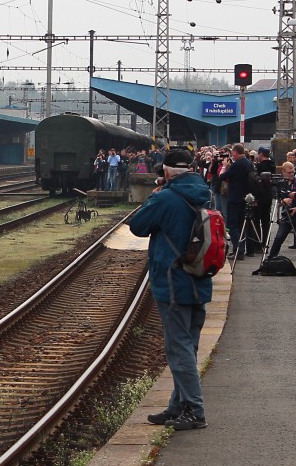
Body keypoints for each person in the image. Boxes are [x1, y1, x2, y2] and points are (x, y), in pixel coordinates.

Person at [129, 149, 212, 431]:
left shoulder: (165, 197)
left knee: (178, 349)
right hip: (199, 279)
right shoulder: (204, 192)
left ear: (165, 172)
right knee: (188, 346)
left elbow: (137, 226)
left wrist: (155, 195)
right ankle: (178, 405)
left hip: (174, 281)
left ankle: (194, 410)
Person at [263, 161, 296, 273]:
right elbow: (278, 197)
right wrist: (282, 200)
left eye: (292, 172)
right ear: (283, 172)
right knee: (278, 238)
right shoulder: (281, 183)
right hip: (287, 215)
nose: (291, 174)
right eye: (289, 172)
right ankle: (269, 260)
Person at [219, 144, 255, 259]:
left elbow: (222, 177)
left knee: (232, 225)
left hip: (235, 198)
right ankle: (240, 249)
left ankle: (238, 249)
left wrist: (224, 166)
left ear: (235, 152)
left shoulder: (237, 164)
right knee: (241, 225)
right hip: (244, 197)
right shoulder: (248, 163)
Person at [252, 147, 276, 254]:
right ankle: (265, 244)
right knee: (266, 221)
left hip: (259, 196)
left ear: (261, 154)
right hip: (268, 196)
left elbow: (257, 182)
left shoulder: (260, 166)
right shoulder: (273, 165)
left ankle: (257, 244)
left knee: (257, 221)